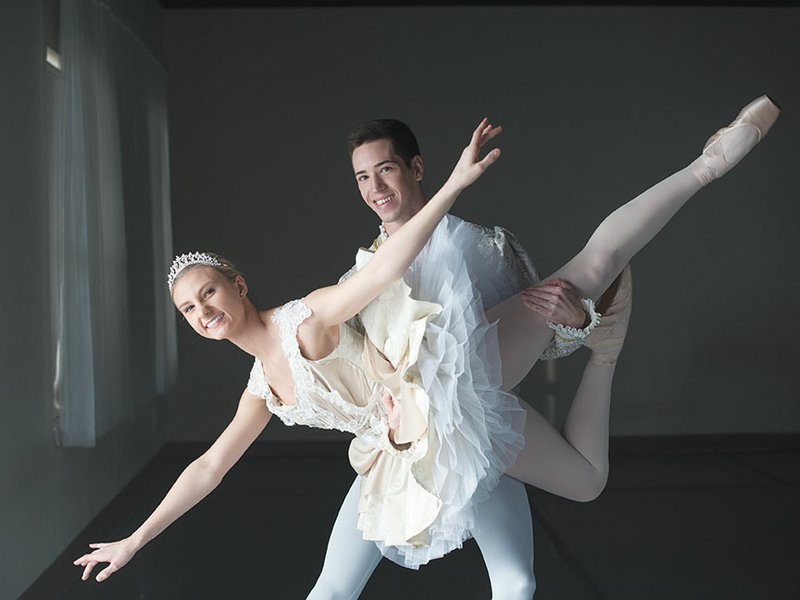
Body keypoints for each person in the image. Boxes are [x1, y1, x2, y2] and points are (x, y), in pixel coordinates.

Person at [74, 97, 780, 596]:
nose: (204, 313)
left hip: (454, 383)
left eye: (209, 294)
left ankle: (708, 165)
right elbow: (208, 467)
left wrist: (564, 313)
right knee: (335, 586)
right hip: (400, 455)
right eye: (190, 309)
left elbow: (394, 274)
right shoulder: (264, 383)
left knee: (592, 269)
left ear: (237, 284)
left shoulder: (315, 316)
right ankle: (611, 347)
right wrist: (135, 540)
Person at [311, 118, 598, 599]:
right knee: (335, 586)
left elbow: (542, 347)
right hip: (404, 454)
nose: (375, 187)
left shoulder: (490, 247)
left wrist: (574, 323)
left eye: (385, 170)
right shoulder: (357, 280)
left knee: (517, 581)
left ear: (416, 167)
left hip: (484, 437)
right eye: (362, 177)